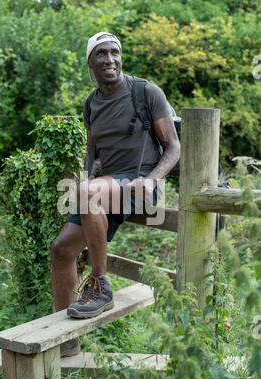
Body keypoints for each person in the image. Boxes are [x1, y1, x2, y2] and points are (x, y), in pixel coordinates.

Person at [51, 32, 180, 357]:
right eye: (102, 54)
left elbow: (173, 147)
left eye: (114, 53)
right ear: (90, 63)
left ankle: (100, 284)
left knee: (90, 192)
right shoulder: (92, 103)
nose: (110, 59)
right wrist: (85, 175)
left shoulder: (145, 91)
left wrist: (152, 180)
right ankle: (64, 341)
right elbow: (92, 153)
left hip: (140, 186)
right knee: (62, 249)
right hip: (104, 188)